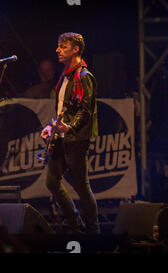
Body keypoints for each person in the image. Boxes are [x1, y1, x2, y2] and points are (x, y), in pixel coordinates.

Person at [41, 32, 100, 234]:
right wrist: (52, 126)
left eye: (63, 46)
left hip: (76, 139)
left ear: (75, 49)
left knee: (82, 187)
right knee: (52, 182)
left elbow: (86, 109)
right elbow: (63, 110)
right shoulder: (66, 75)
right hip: (61, 137)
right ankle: (75, 225)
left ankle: (94, 232)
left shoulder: (83, 76)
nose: (58, 50)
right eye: (59, 46)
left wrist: (71, 127)